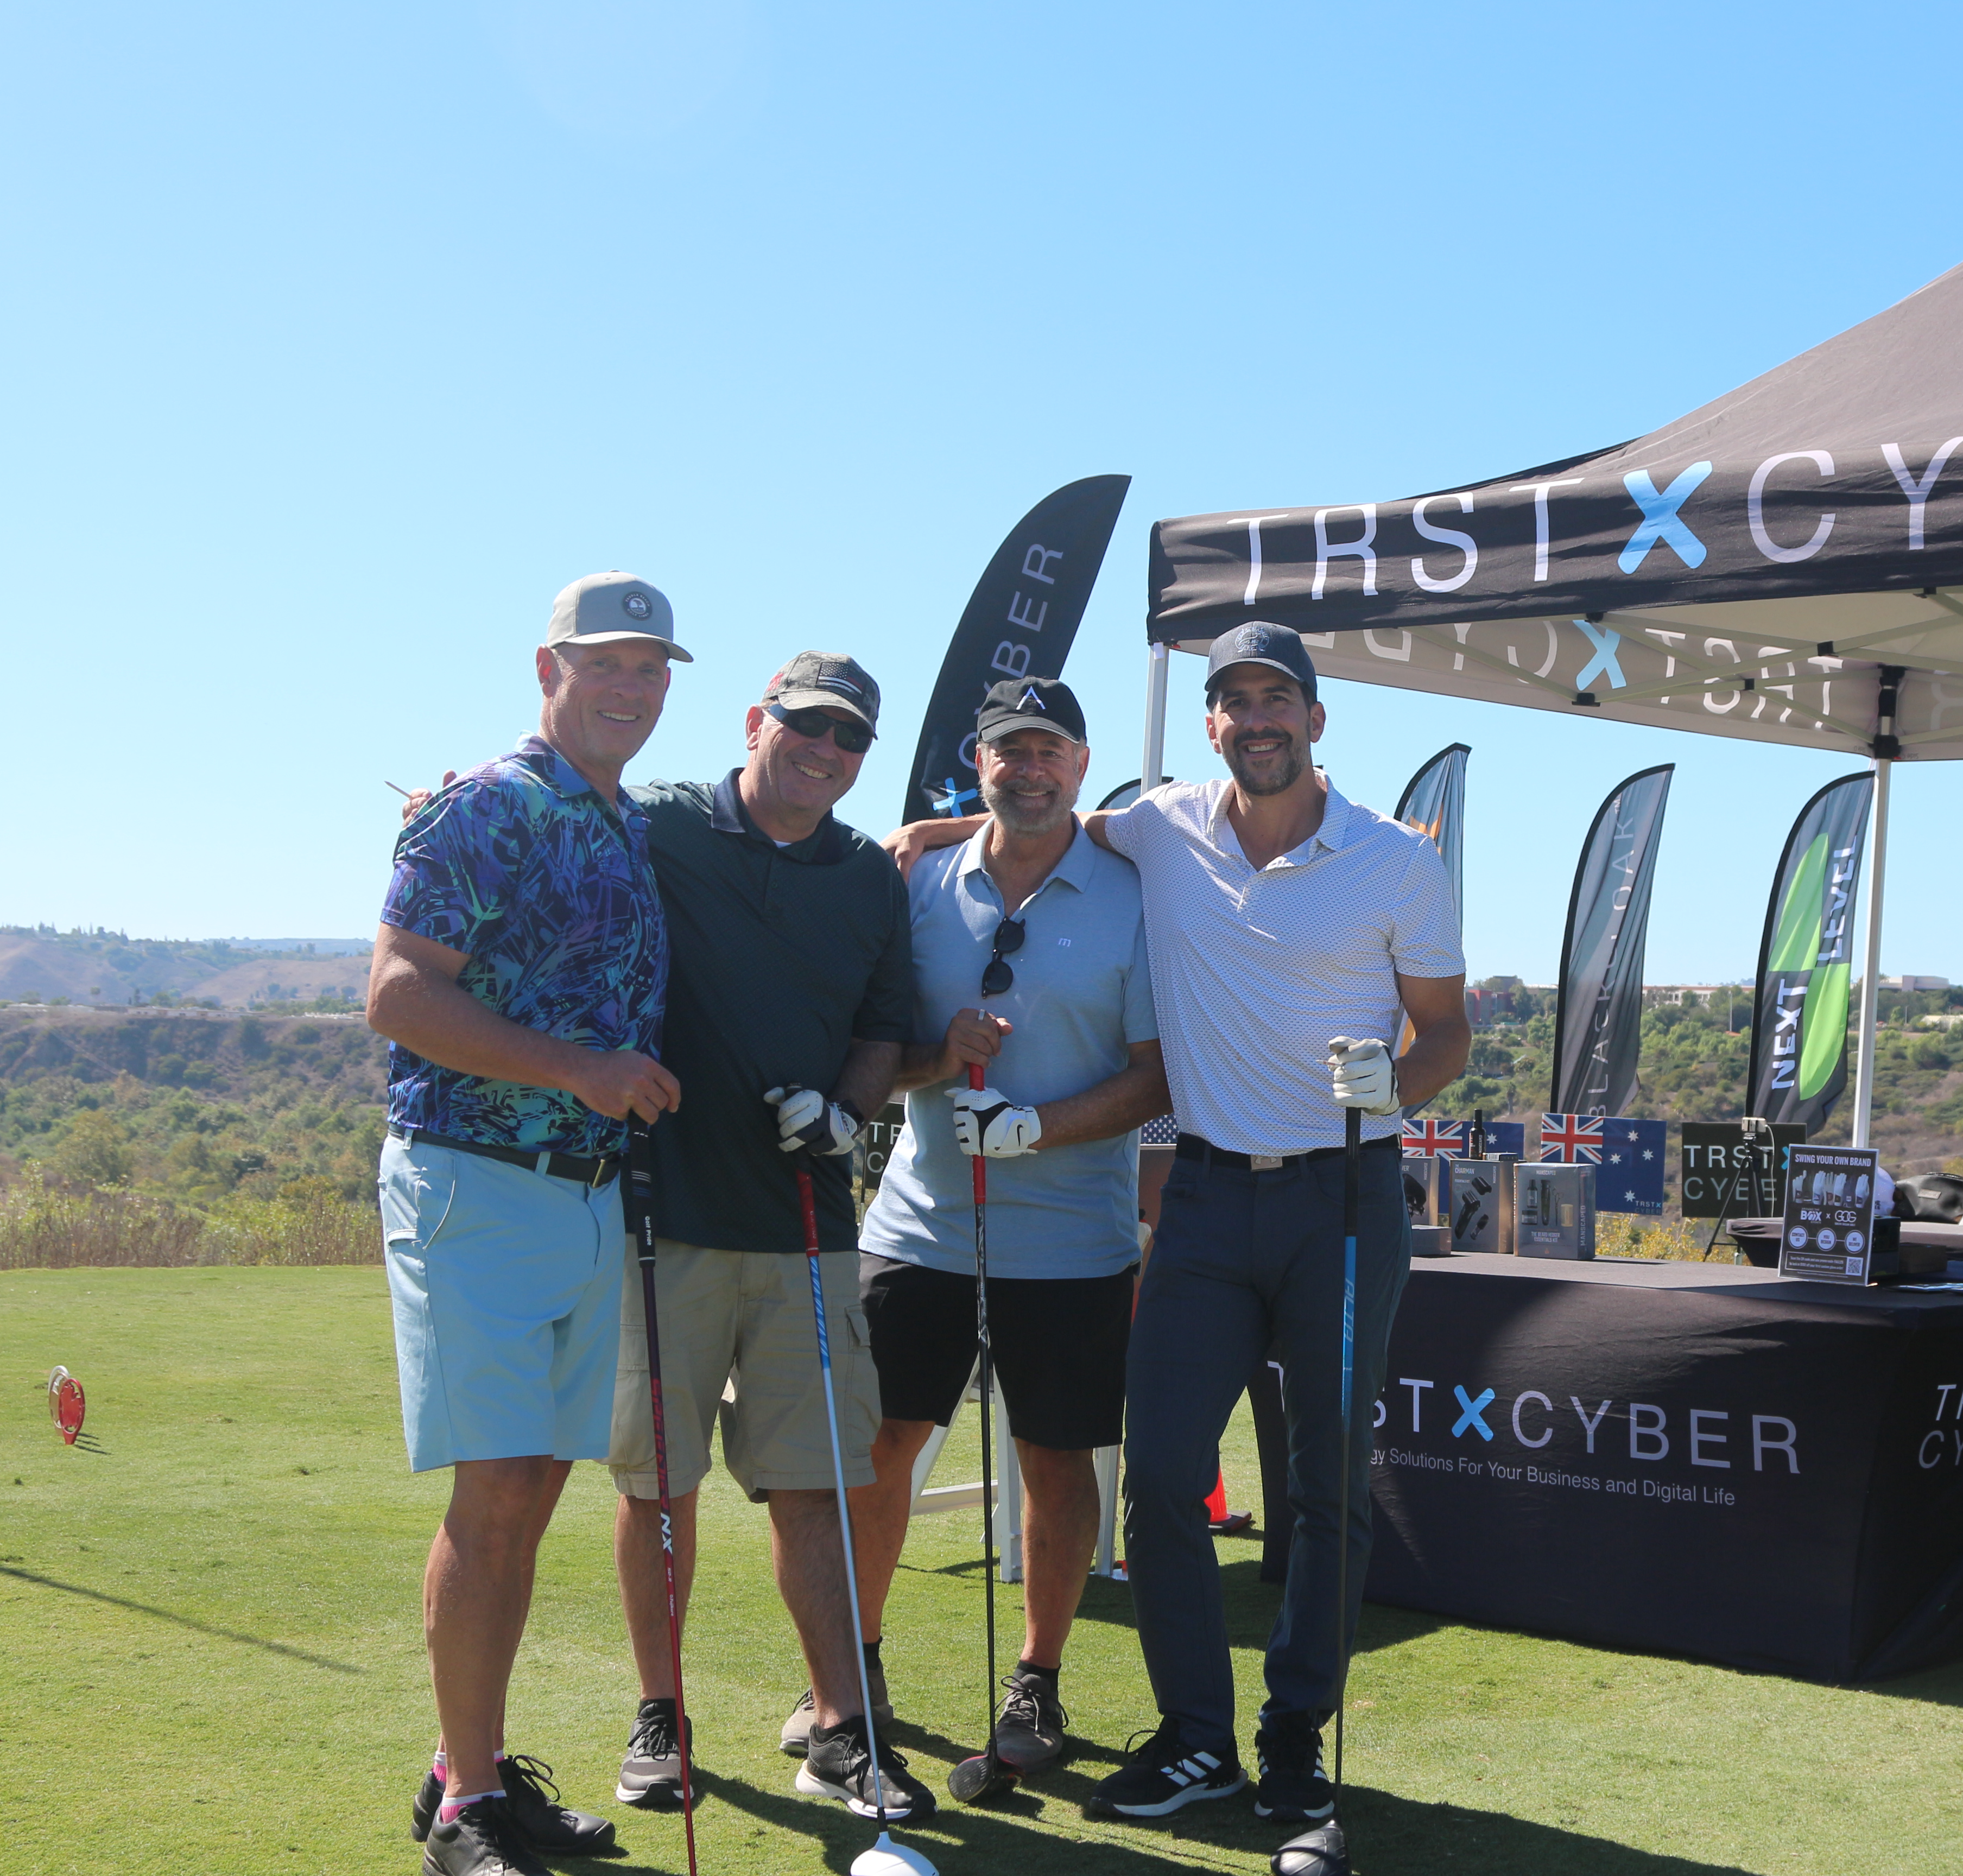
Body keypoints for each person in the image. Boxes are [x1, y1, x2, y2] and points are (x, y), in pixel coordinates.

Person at [890, 620, 1470, 1828]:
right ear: (1211, 723)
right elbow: (1045, 830)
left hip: (1345, 1199)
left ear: (1316, 719)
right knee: (1158, 1475)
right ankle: (1198, 1736)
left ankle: (1296, 1732)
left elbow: (1448, 1031)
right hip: (1205, 1197)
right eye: (1235, 702)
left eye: (1279, 700)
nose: (1257, 719)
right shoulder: (1165, 822)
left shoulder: (1399, 861)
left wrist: (1400, 1086)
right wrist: (932, 837)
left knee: (1326, 1488)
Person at [368, 570, 685, 1876]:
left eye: (652, 666)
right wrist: (578, 1068)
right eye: (603, 662)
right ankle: (465, 1811)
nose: (629, 685)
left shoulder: (619, 817)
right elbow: (395, 993)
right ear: (545, 667)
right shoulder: (487, 805)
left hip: (585, 1194)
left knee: (534, 1494)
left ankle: (472, 1769)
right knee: (495, 1499)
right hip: (479, 1184)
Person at [606, 651, 935, 1824]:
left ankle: (844, 1732)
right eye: (809, 726)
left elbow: (885, 1026)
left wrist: (847, 1111)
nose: (827, 753)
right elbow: (558, 808)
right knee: (658, 1487)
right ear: (757, 721)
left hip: (805, 1226)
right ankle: (660, 1717)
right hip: (662, 1217)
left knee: (821, 1488)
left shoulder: (864, 877)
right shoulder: (661, 827)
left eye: (851, 740)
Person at [840, 677, 1171, 1780]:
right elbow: (874, 1055)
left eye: (1050, 752)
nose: (1028, 770)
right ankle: (851, 1669)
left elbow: (1151, 1079)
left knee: (1056, 1456)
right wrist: (938, 1058)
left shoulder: (1135, 890)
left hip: (1073, 1237)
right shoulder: (916, 877)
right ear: (977, 767)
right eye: (1006, 753)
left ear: (1081, 764)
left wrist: (1030, 1129)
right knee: (880, 1445)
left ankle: (1037, 1679)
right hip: (922, 1225)